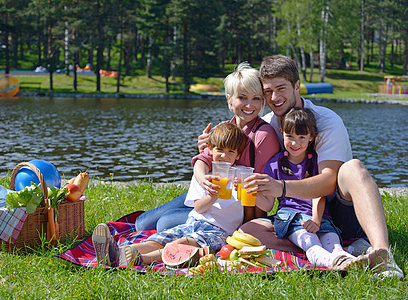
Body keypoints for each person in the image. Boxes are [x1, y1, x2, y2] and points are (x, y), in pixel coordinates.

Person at [236, 54, 402, 278]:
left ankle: (383, 255)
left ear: (297, 86)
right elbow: (237, 140)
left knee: (353, 168)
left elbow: (328, 183)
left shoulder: (326, 120)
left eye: (281, 88)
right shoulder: (268, 125)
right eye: (267, 91)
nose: (274, 97)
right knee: (248, 232)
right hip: (296, 217)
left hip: (338, 213)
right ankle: (336, 252)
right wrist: (209, 147)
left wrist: (281, 188)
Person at [135, 62, 280, 231]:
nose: (249, 105)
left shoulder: (263, 135)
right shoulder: (223, 127)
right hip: (210, 194)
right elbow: (203, 159)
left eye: (256, 98)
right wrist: (203, 180)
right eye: (242, 98)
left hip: (232, 210)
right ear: (229, 99)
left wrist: (249, 226)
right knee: (142, 224)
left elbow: (263, 190)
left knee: (164, 223)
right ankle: (112, 231)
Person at [93, 123, 248, 266]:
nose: (224, 156)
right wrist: (212, 196)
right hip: (193, 222)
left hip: (219, 231)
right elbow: (198, 208)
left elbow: (255, 205)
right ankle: (116, 252)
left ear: (238, 155)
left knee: (180, 244)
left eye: (230, 152)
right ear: (210, 149)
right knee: (161, 239)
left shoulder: (240, 177)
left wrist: (245, 189)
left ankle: (138, 259)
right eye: (219, 150)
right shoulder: (204, 176)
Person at [256, 107, 387, 270]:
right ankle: (334, 263)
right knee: (310, 242)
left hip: (321, 217)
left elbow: (319, 193)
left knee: (333, 242)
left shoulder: (315, 162)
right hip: (291, 217)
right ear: (282, 133)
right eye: (290, 136)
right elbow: (268, 205)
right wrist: (251, 194)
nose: (295, 143)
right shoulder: (275, 164)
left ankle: (344, 256)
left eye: (301, 137)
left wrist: (316, 220)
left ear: (311, 137)